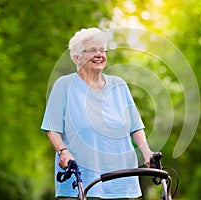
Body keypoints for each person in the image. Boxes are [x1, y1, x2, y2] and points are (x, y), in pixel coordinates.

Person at [41, 28, 153, 199]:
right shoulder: (64, 85)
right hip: (81, 178)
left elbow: (135, 126)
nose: (99, 54)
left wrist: (146, 151)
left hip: (120, 179)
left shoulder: (119, 85)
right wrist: (63, 151)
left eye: (102, 50)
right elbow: (52, 127)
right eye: (92, 50)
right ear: (76, 57)